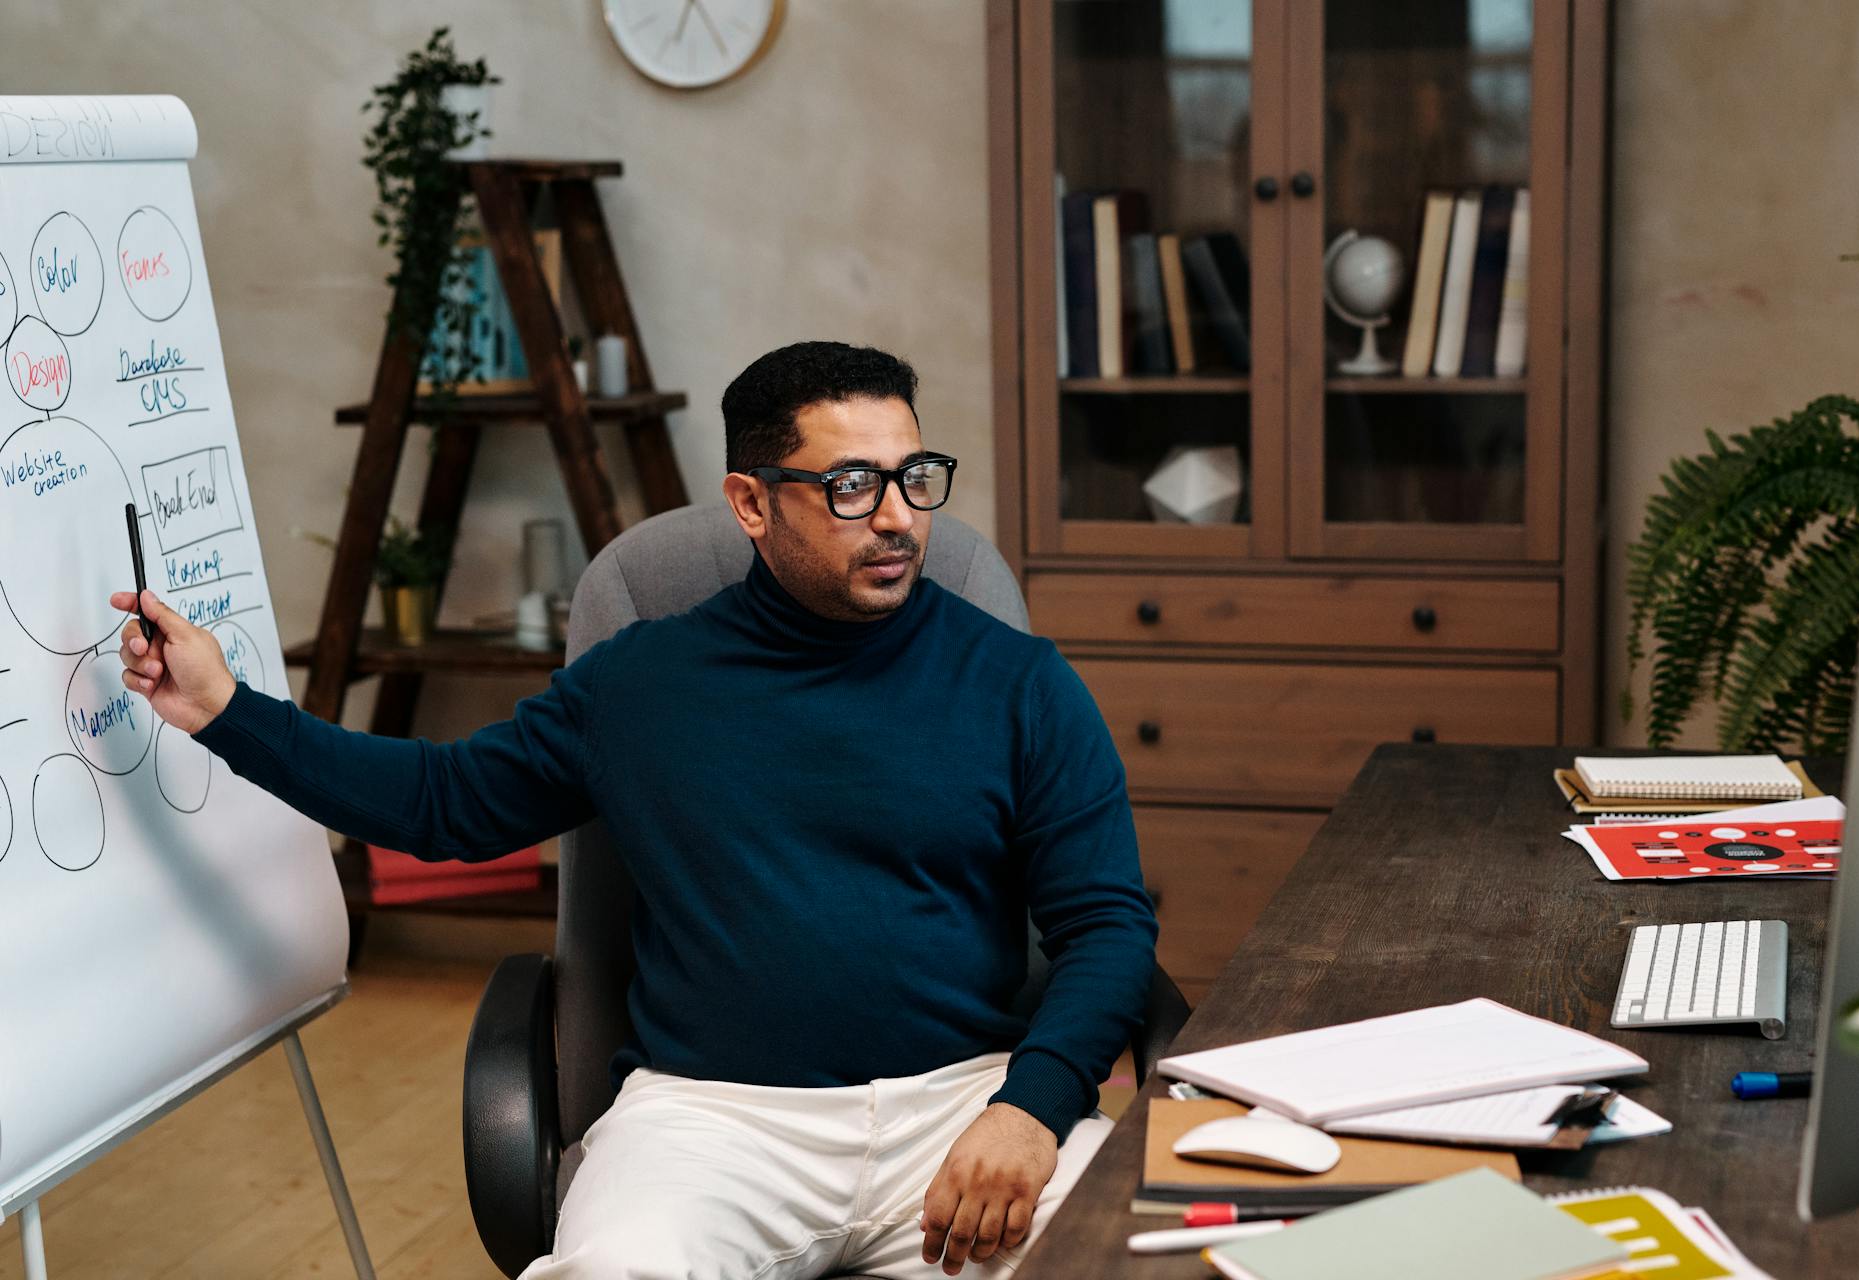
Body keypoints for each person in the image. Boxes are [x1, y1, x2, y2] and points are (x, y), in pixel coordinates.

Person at [114, 340, 1156, 1279]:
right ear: (752, 502)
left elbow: (1107, 924)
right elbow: (443, 803)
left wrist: (1031, 1106)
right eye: (850, 484)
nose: (895, 516)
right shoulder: (642, 685)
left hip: (962, 1100)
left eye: (913, 478)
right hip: (712, 1119)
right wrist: (222, 709)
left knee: (1131, 1257)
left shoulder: (1019, 683)